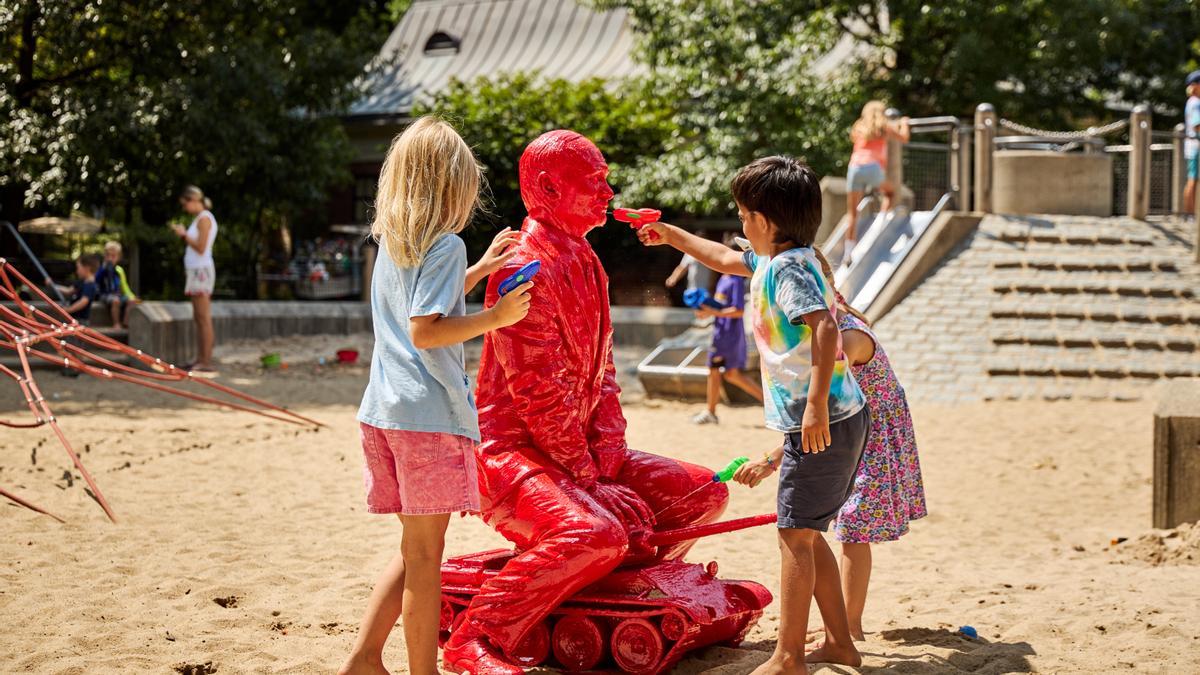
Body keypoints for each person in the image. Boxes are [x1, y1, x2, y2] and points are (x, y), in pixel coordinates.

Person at [442, 130, 729, 674]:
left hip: (580, 459)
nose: (607, 190)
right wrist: (590, 480)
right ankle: (476, 636)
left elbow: (606, 376)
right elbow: (537, 391)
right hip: (514, 457)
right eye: (593, 182)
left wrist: (610, 457)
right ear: (549, 188)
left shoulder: (588, 261)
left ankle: (597, 577)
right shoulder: (520, 266)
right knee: (591, 531)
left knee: (703, 495)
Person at [637, 156, 869, 669]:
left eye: (743, 215)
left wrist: (812, 411)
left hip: (824, 420)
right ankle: (839, 643)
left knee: (793, 536)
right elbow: (721, 257)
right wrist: (670, 233)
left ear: (763, 222)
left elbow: (825, 329)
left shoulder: (787, 269)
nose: (739, 224)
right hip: (838, 418)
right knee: (805, 531)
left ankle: (788, 656)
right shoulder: (777, 258)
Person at [339, 117, 531, 675]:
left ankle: (365, 658)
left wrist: (480, 272)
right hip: (427, 415)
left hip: (384, 412)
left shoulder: (394, 242)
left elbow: (422, 304)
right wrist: (495, 317)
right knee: (427, 560)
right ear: (452, 186)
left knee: (414, 548)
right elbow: (427, 329)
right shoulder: (445, 243)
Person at [692, 232, 763, 425]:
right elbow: (723, 306)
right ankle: (711, 410)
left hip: (729, 335)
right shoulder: (724, 278)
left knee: (725, 372)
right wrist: (707, 309)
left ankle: (712, 411)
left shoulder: (734, 280)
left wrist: (713, 313)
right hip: (721, 333)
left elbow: (738, 311)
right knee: (723, 372)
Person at [845, 101, 910, 264]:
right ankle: (880, 221)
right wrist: (904, 123)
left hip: (854, 168)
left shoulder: (859, 126)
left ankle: (848, 252)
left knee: (852, 213)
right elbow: (904, 137)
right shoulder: (884, 126)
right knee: (890, 192)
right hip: (873, 167)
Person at [171, 185, 218, 374]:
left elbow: (201, 247)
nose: (185, 208)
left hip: (201, 271)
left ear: (193, 200)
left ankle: (205, 361)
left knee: (203, 317)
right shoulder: (200, 219)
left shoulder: (204, 219)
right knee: (198, 317)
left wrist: (183, 235)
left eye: (185, 204)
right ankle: (200, 358)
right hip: (196, 271)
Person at [44, 254, 102, 377]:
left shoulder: (90, 285)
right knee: (70, 344)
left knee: (76, 346)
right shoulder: (81, 282)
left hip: (81, 321)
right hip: (74, 320)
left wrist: (68, 310)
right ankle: (71, 367)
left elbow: (84, 301)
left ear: (87, 268)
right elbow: (68, 290)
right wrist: (52, 285)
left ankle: (77, 368)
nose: (77, 270)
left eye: (78, 267)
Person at [95, 241, 137, 331]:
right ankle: (116, 323)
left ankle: (126, 323)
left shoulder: (119, 270)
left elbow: (125, 287)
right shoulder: (102, 269)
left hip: (117, 294)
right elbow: (96, 280)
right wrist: (104, 268)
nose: (110, 258)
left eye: (113, 256)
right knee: (116, 301)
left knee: (132, 301)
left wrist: (132, 297)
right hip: (105, 295)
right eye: (108, 255)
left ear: (118, 257)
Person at [1183, 71, 1200, 215]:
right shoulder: (1196, 103)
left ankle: (1190, 214)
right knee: (1193, 180)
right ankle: (1191, 214)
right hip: (1196, 145)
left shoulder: (1191, 102)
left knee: (1192, 179)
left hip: (1191, 144)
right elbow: (1197, 124)